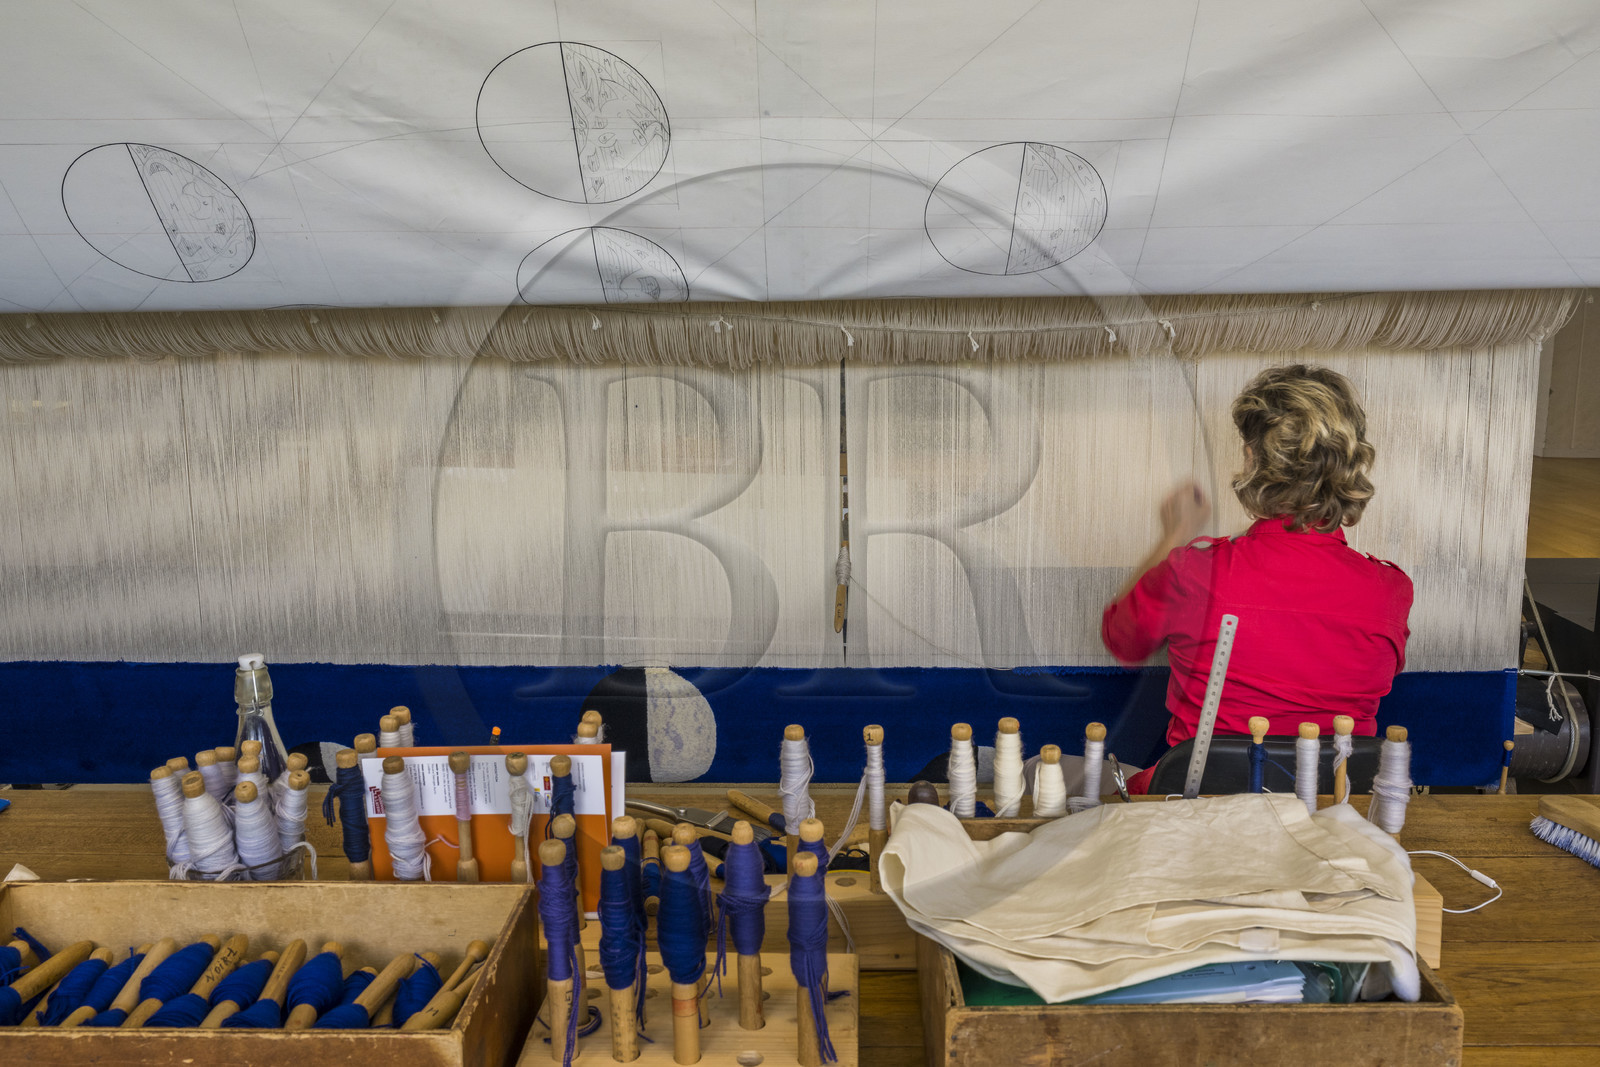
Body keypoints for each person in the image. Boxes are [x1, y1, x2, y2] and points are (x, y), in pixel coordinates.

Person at [1102, 364, 1413, 794]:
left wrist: (1174, 534)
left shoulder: (1194, 572)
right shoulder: (1390, 591)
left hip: (1196, 811)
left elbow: (1123, 637)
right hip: (1332, 814)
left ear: (1252, 460)